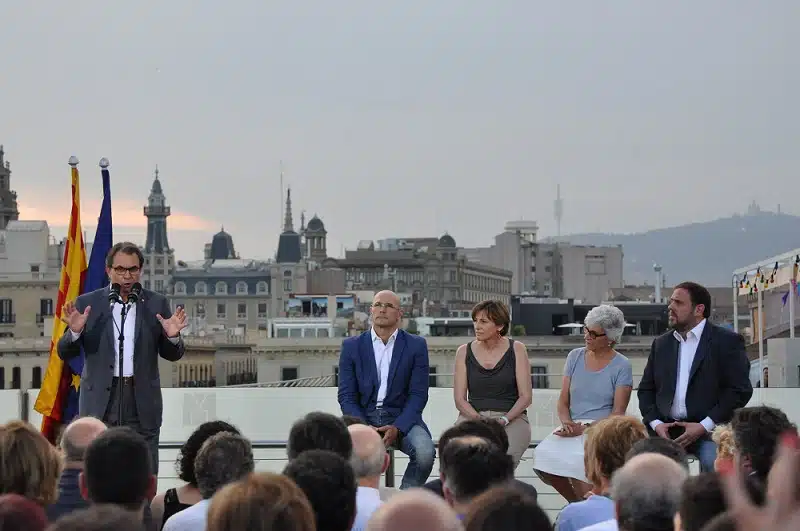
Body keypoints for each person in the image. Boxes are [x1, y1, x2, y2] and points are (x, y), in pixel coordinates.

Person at [57, 242, 188, 474]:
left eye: (133, 269)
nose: (127, 276)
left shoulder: (156, 303)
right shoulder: (88, 304)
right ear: (108, 270)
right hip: (100, 400)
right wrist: (75, 332)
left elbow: (172, 354)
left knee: (143, 471)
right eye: (120, 269)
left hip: (141, 402)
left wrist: (173, 337)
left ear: (140, 270)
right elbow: (65, 352)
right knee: (98, 470)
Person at [637, 281, 753, 473]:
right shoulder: (662, 344)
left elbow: (739, 391)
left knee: (717, 469)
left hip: (711, 432)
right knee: (644, 472)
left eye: (678, 303)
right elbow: (646, 390)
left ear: (699, 309)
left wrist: (703, 426)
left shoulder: (727, 342)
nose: (670, 307)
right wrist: (657, 425)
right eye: (671, 301)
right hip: (664, 433)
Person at [533, 304, 633, 502]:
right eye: (586, 330)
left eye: (594, 334)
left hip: (603, 430)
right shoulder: (575, 356)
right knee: (542, 456)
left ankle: (587, 507)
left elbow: (618, 413)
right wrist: (566, 423)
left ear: (611, 339)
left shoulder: (622, 365)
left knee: (581, 462)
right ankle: (577, 504)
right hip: (573, 427)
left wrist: (585, 429)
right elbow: (563, 401)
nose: (587, 336)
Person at [337, 290, 435, 489]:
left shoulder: (416, 346)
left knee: (425, 453)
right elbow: (346, 396)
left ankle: (404, 501)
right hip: (363, 416)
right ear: (371, 310)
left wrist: (398, 427)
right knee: (339, 455)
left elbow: (418, 395)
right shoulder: (351, 346)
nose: (382, 309)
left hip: (401, 418)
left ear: (400, 314)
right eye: (378, 305)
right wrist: (364, 426)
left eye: (389, 306)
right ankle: (358, 500)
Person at [453, 300, 532, 469]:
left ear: (500, 326)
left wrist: (504, 420)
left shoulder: (517, 349)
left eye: (483, 322)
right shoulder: (463, 351)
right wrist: (479, 420)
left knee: (500, 463)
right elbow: (460, 400)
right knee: (464, 459)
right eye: (475, 321)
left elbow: (525, 397)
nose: (477, 326)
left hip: (512, 418)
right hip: (472, 417)